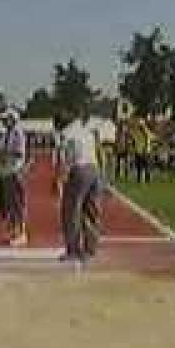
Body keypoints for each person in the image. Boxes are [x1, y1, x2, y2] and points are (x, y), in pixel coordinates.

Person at [56, 112, 104, 262]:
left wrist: (60, 179)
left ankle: (73, 249)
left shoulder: (66, 134)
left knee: (71, 211)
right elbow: (98, 150)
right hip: (94, 169)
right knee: (91, 210)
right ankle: (91, 248)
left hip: (79, 169)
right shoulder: (85, 130)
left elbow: (66, 159)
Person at [0, 108, 28, 246]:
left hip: (15, 170)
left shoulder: (18, 134)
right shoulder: (5, 134)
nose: (3, 122)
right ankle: (13, 230)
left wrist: (5, 153)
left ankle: (21, 232)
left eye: (6, 119)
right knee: (9, 204)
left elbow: (19, 153)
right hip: (6, 171)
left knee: (17, 203)